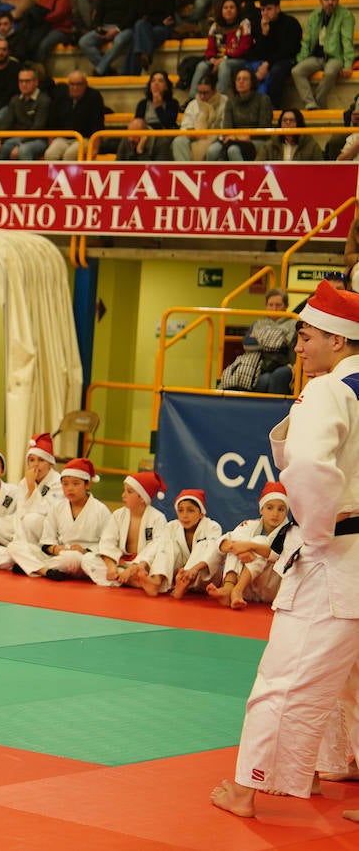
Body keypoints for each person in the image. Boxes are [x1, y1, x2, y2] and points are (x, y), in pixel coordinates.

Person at [210, 280, 359, 818]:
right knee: (350, 680)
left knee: (286, 674)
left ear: (339, 341)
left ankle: (248, 788)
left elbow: (311, 468)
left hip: (334, 554)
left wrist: (314, 535)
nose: (298, 346)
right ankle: (333, 764)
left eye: (307, 335)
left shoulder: (328, 391)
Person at [9, 458, 114, 578]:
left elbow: (108, 544)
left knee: (72, 558)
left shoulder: (101, 510)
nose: (70, 488)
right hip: (59, 555)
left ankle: (32, 566)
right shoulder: (57, 507)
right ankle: (46, 571)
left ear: (88, 484)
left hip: (84, 558)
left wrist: (85, 551)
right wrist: (55, 549)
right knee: (14, 546)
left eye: (75, 483)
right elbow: (46, 541)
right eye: (65, 484)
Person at [206, 482, 288, 609]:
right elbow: (223, 542)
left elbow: (277, 555)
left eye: (281, 509)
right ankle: (228, 589)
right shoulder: (249, 524)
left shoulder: (291, 532)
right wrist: (238, 549)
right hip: (248, 591)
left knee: (260, 542)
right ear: (261, 509)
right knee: (233, 546)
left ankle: (237, 590)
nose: (275, 514)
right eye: (270, 508)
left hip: (270, 589)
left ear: (286, 511)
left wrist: (251, 547)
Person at [97, 471, 173, 592]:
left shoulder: (157, 517)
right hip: (121, 563)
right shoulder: (118, 515)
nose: (123, 495)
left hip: (144, 565)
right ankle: (135, 582)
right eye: (124, 490)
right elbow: (107, 541)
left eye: (129, 492)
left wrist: (135, 567)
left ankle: (139, 580)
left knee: (164, 553)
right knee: (87, 560)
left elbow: (157, 546)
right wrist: (111, 566)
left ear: (142, 498)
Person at [293, 0, 354, 111]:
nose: (330, 2)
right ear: (320, 1)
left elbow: (347, 41)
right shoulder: (314, 16)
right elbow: (307, 41)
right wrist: (300, 59)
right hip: (316, 56)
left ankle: (318, 102)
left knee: (330, 72)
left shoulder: (346, 15)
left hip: (335, 56)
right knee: (296, 71)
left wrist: (348, 64)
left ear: (338, 0)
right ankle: (310, 102)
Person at [79, 0, 141, 77]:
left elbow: (133, 15)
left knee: (119, 40)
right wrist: (99, 28)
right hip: (106, 26)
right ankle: (107, 70)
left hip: (125, 28)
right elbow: (99, 13)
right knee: (84, 42)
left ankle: (99, 70)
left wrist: (117, 29)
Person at [43, 71, 105, 162]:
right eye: (72, 84)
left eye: (79, 84)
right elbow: (52, 121)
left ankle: (70, 176)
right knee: (50, 154)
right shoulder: (61, 96)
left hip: (85, 139)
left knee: (70, 154)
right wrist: (51, 141)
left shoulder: (94, 97)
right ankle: (53, 176)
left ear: (85, 84)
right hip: (63, 138)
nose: (75, 87)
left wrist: (95, 148)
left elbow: (98, 124)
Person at [0, 68, 52, 161]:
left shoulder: (44, 100)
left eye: (27, 81)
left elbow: (38, 127)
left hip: (39, 139)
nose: (24, 84)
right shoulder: (15, 100)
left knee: (24, 150)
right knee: (4, 147)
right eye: (21, 81)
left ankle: (31, 175)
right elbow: (7, 123)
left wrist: (20, 144)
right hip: (19, 137)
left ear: (36, 82)